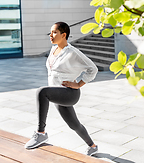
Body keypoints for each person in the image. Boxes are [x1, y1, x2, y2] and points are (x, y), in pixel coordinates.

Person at [24, 22, 99, 156]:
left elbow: (93, 69)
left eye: (54, 32)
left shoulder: (73, 52)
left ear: (64, 35)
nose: (50, 35)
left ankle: (41, 133)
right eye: (50, 32)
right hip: (58, 93)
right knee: (74, 125)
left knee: (42, 92)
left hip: (70, 93)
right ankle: (92, 146)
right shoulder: (53, 50)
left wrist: (79, 84)